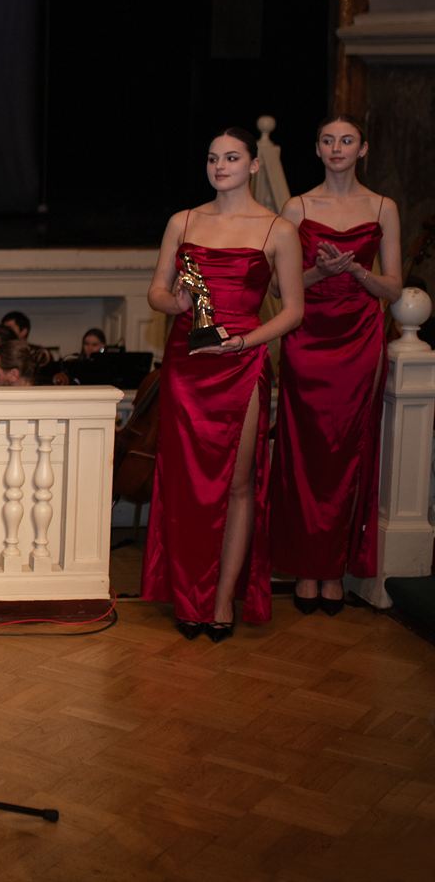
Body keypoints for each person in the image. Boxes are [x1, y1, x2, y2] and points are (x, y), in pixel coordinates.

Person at [141, 127, 303, 642]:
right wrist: (175, 302)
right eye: (213, 158)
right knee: (184, 482)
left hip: (242, 363)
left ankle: (221, 600)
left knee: (237, 483)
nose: (220, 166)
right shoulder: (183, 221)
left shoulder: (278, 229)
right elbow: (156, 292)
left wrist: (244, 342)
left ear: (253, 165)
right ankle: (188, 597)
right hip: (187, 364)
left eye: (232, 157)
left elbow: (294, 312)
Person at [271, 114, 402, 615]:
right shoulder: (297, 207)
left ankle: (334, 570)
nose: (337, 147)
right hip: (307, 339)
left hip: (359, 340)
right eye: (328, 140)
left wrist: (358, 273)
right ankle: (306, 569)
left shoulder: (384, 207)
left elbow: (394, 287)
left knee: (348, 453)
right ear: (318, 149)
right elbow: (279, 286)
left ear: (362, 149)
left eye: (347, 140)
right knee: (305, 453)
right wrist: (320, 273)